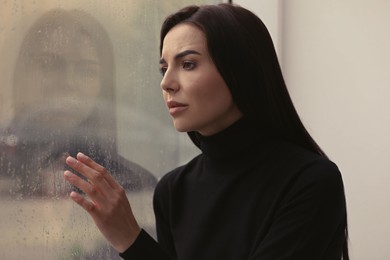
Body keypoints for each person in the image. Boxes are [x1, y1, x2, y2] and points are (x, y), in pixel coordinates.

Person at [64, 3, 349, 260]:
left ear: (239, 70)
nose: (166, 83)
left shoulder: (311, 181)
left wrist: (131, 240)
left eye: (188, 64)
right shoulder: (173, 191)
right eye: (164, 67)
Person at [1, 8, 156, 259]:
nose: (68, 82)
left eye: (86, 70)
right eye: (50, 64)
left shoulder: (131, 185)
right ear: (21, 73)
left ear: (101, 85)